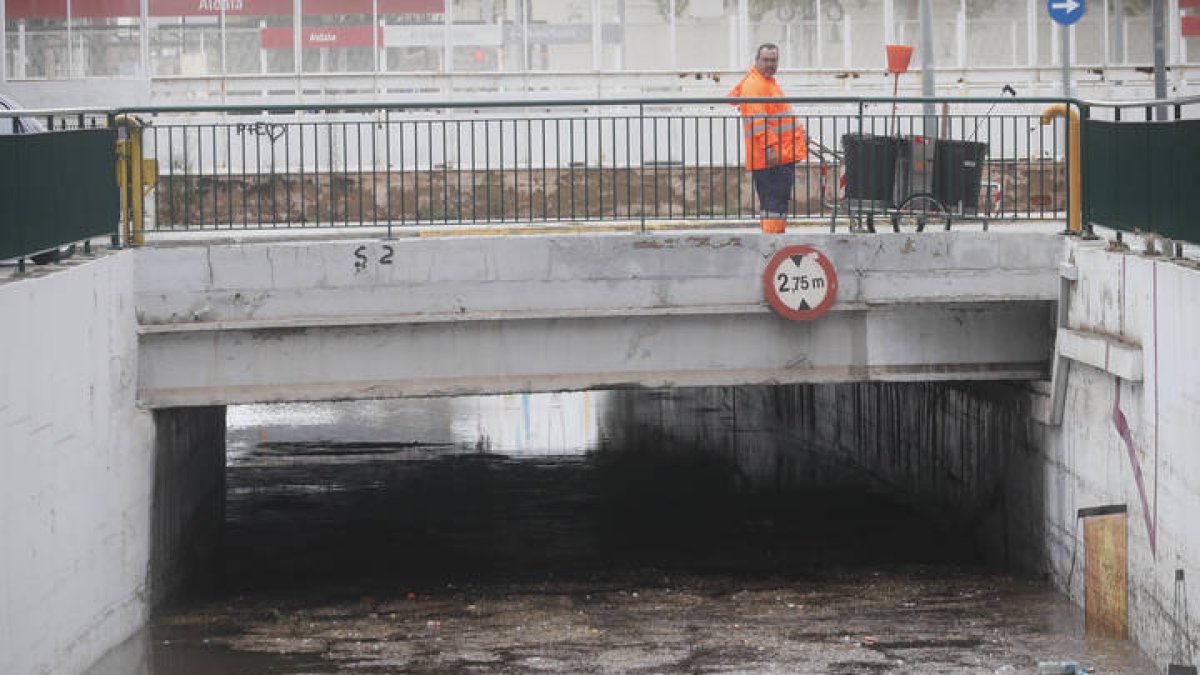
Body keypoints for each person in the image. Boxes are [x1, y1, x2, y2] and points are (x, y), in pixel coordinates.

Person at [728, 44, 807, 233]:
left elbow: (778, 117)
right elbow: (758, 122)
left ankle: (773, 242)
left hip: (779, 155)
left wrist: (801, 135)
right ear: (757, 61)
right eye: (766, 60)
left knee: (775, 204)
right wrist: (770, 149)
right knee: (774, 204)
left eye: (774, 60)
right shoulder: (755, 85)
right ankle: (773, 245)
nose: (771, 64)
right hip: (772, 158)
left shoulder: (767, 83)